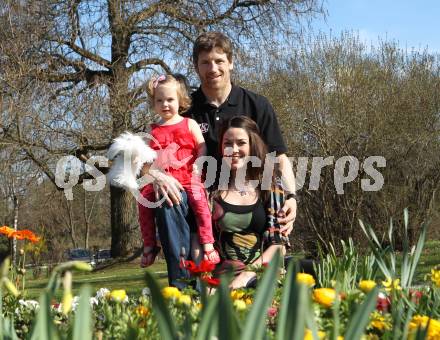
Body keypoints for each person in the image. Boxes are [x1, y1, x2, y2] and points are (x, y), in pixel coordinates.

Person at [138, 74, 220, 288]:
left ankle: (208, 243)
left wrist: (199, 163)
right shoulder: (152, 130)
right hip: (162, 180)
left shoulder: (189, 124)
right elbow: (145, 163)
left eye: (170, 100)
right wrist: (153, 174)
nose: (165, 104)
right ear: (154, 104)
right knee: (144, 202)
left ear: (180, 100)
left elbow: (202, 147)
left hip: (187, 176)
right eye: (159, 100)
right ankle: (149, 245)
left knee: (199, 201)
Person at [212, 115, 289, 289]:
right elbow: (202, 241)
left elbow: (279, 245)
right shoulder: (212, 191)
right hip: (223, 279)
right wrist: (205, 281)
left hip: (263, 275)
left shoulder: (270, 187)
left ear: (252, 145)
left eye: (241, 143)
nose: (234, 149)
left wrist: (248, 274)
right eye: (227, 143)